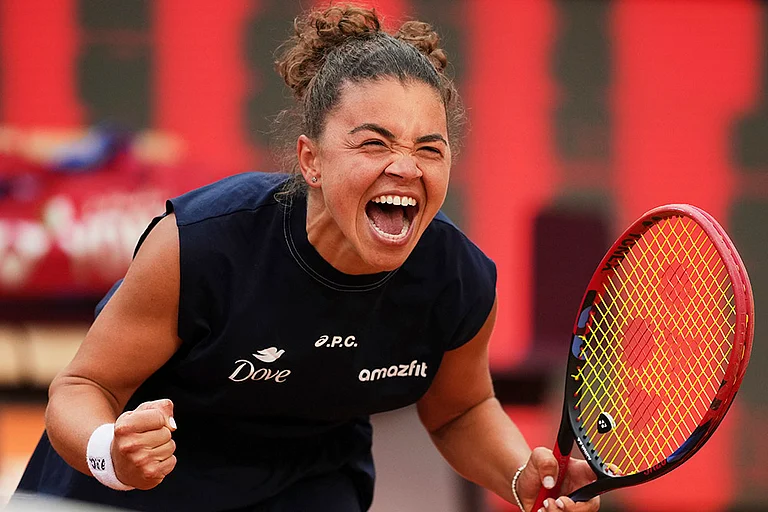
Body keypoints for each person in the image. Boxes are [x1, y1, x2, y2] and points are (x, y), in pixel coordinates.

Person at [13, 5, 600, 512]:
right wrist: (110, 452)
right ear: (311, 160)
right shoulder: (204, 246)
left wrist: (525, 477)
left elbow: (460, 410)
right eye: (375, 143)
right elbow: (83, 385)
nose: (407, 166)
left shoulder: (457, 278)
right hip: (133, 484)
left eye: (430, 148)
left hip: (306, 484)